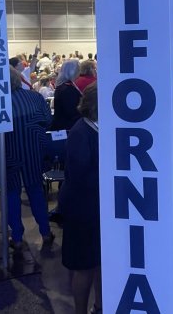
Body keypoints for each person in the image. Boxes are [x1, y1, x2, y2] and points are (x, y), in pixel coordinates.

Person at [0, 68, 53, 249]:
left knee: (11, 195)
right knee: (35, 191)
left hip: (8, 156)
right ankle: (46, 231)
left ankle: (17, 237)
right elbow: (48, 121)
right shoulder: (35, 97)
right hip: (34, 153)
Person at [59, 83, 101, 314]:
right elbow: (80, 175)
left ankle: (99, 307)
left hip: (93, 209)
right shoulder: (81, 132)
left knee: (98, 264)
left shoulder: (92, 128)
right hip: (82, 210)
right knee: (84, 268)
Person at [50, 59, 82, 131]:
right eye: (78, 70)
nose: (80, 72)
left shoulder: (63, 86)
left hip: (65, 125)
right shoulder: (67, 89)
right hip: (67, 127)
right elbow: (71, 112)